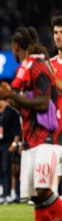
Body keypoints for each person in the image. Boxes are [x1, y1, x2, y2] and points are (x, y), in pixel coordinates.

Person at [0, 26, 62, 221]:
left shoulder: (38, 66)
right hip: (31, 139)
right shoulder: (28, 66)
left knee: (44, 189)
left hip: (46, 138)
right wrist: (8, 99)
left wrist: (12, 95)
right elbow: (27, 107)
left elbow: (43, 102)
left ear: (16, 46)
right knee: (37, 197)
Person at [50, 16, 62, 199]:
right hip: (55, 122)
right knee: (56, 161)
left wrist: (50, 76)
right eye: (56, 33)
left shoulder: (49, 68)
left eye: (61, 33)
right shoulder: (50, 63)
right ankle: (52, 195)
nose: (58, 36)